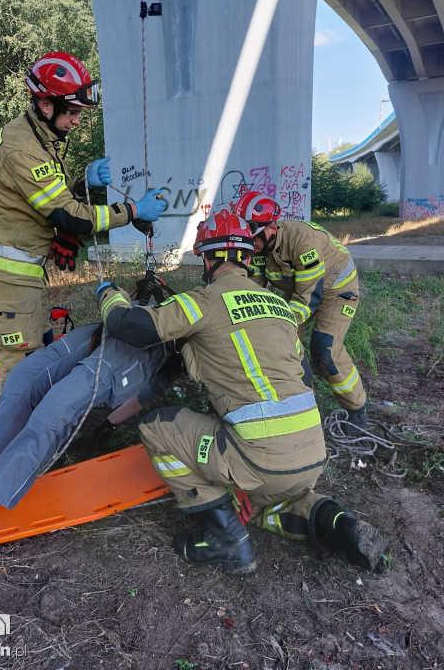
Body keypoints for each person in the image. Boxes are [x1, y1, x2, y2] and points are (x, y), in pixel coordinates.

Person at [95, 210, 387, 575]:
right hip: (311, 455)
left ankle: (225, 538)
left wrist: (110, 295)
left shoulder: (202, 301)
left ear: (206, 257)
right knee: (271, 506)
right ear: (249, 258)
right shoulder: (281, 307)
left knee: (157, 425)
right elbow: (305, 374)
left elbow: (132, 326)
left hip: (258, 457)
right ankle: (336, 522)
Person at [0, 319, 180, 574]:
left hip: (145, 347)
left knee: (55, 410)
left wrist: (110, 424)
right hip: (108, 327)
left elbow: (155, 388)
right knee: (24, 381)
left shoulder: (201, 335)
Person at [0, 51, 166, 388]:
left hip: (22, 271)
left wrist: (82, 183)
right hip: (11, 275)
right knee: (21, 360)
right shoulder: (24, 150)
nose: (77, 121)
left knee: (39, 343)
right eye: (73, 112)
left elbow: (49, 199)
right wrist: (134, 211)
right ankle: (17, 434)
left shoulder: (35, 136)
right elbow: (70, 215)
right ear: (46, 104)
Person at [233, 191, 368, 428]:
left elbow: (308, 300)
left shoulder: (303, 241)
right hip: (301, 289)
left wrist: (277, 327)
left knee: (324, 349)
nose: (249, 245)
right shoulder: (256, 248)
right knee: (283, 347)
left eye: (252, 237)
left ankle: (357, 408)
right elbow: (252, 290)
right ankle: (304, 406)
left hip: (336, 290)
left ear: (271, 228)